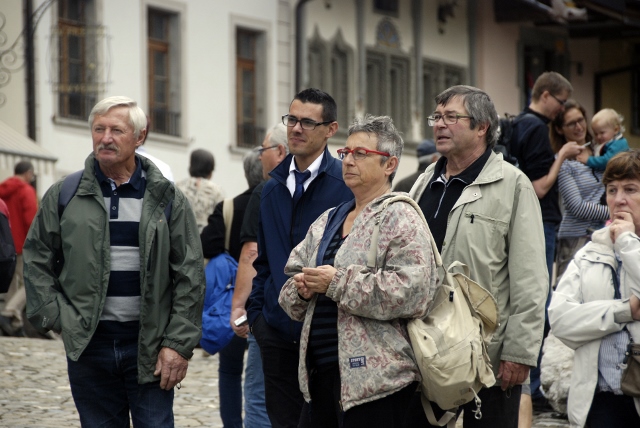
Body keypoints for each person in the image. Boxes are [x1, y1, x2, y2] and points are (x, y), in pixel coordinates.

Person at [23, 96, 205, 427]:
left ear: (140, 137)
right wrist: (58, 316)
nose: (105, 138)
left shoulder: (167, 198)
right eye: (99, 129)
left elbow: (190, 274)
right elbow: (36, 259)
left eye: (116, 130)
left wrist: (177, 345)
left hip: (150, 347)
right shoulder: (65, 193)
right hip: (90, 347)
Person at [278, 114, 437, 427]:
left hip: (377, 385)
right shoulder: (328, 220)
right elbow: (289, 290)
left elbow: (414, 292)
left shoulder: (400, 217)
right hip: (320, 377)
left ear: (389, 164)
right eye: (345, 152)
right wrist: (300, 288)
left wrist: (336, 283)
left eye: (360, 154)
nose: (348, 160)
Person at [407, 85, 548, 427]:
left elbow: (530, 279)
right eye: (436, 117)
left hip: (486, 358)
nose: (439, 125)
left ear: (482, 127)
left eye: (451, 117)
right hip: (422, 351)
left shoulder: (513, 185)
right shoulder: (423, 183)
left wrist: (518, 353)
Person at [246, 88, 353, 428]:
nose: (296, 128)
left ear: (330, 129)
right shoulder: (271, 188)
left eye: (308, 122)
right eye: (292, 119)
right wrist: (257, 317)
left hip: (326, 337)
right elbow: (263, 262)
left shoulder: (345, 185)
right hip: (276, 332)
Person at [509, 71, 583, 414]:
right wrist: (562, 156)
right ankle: (533, 389)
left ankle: (527, 384)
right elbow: (540, 186)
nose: (562, 109)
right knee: (539, 302)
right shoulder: (536, 128)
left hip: (523, 220)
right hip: (542, 220)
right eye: (562, 101)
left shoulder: (517, 123)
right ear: (547, 95)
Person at [549, 149, 640, 427]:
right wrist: (623, 310)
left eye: (631, 189)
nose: (619, 199)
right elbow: (560, 319)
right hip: (598, 401)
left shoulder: (627, 246)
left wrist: (628, 243)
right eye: (612, 190)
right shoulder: (590, 253)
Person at [200, 148, 265, 428]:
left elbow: (206, 244)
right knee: (264, 373)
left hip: (233, 299)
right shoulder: (277, 203)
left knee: (230, 370)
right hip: (263, 299)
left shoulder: (229, 207)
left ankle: (231, 424)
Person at [550, 100, 609, 283]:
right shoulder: (563, 162)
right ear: (560, 129)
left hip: (604, 236)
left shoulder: (602, 153)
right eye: (571, 123)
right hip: (576, 239)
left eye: (581, 120)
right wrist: (613, 212)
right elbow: (577, 207)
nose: (578, 126)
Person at [0, 160, 38, 336]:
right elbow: (31, 219)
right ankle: (9, 312)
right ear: (28, 173)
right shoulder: (26, 190)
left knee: (10, 282)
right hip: (22, 244)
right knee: (30, 282)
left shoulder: (2, 190)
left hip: (4, 244)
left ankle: (13, 324)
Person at [177, 149, 225, 232]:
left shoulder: (178, 187)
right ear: (210, 170)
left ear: (191, 167)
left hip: (182, 237)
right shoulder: (217, 190)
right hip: (207, 239)